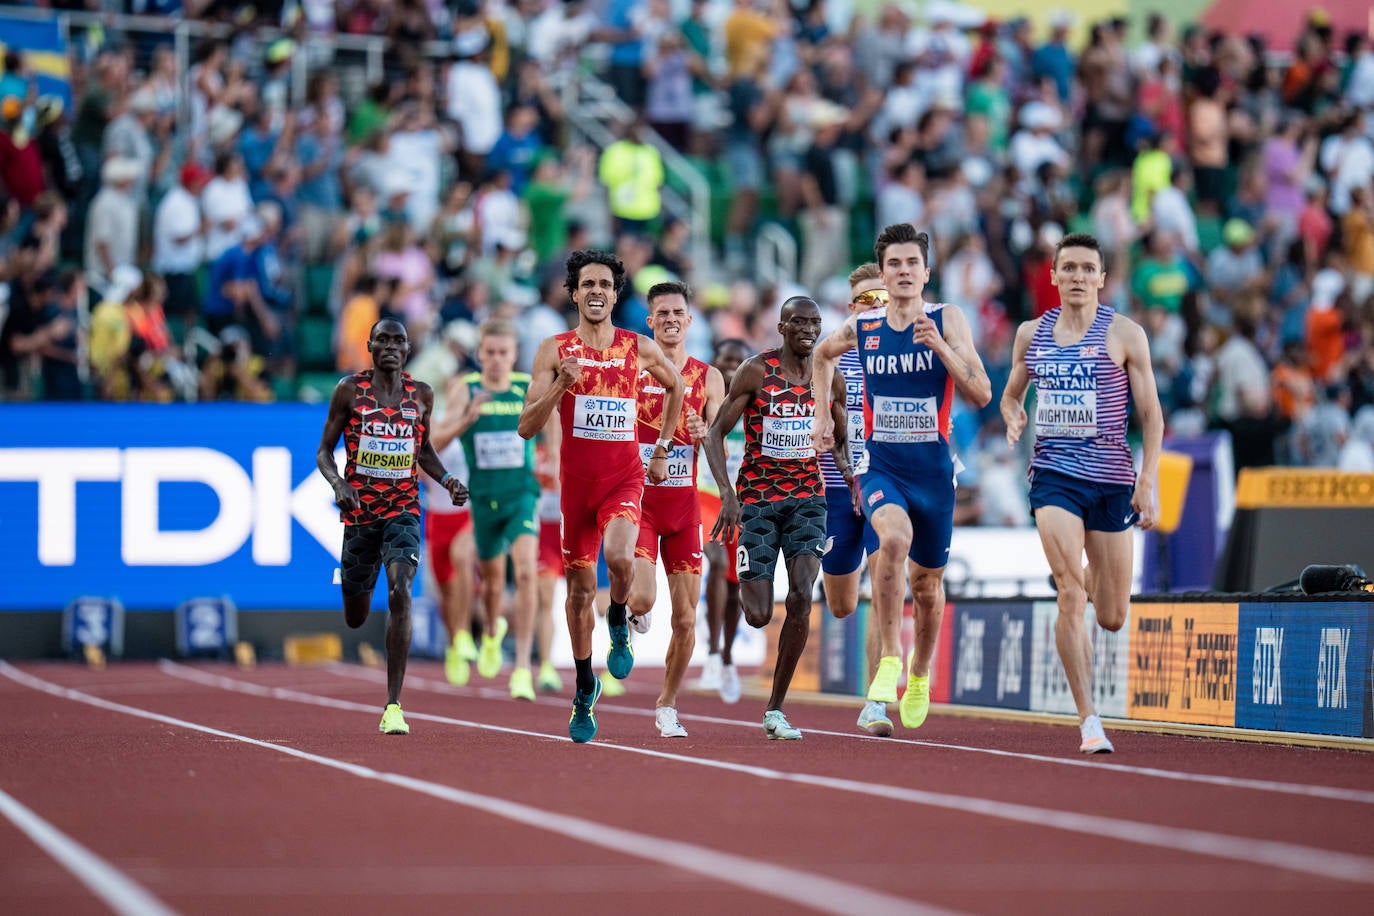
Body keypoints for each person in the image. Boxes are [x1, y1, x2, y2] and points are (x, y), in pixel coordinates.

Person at [813, 223, 992, 734]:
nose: (904, 272)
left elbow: (981, 392)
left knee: (928, 587)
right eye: (894, 264)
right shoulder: (864, 326)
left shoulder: (947, 319)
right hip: (881, 465)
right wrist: (824, 417)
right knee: (891, 539)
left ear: (926, 272)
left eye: (912, 263)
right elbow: (824, 355)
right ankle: (890, 654)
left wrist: (940, 346)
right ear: (884, 274)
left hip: (934, 471)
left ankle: (918, 673)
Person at [999, 231, 1163, 753]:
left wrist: (1149, 479)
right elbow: (1010, 392)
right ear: (1052, 276)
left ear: (1101, 278)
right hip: (1054, 476)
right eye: (1067, 268)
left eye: (1086, 269)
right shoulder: (1032, 333)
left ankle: (1082, 571)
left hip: (1113, 479)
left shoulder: (1126, 334)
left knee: (1112, 614)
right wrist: (1013, 414)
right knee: (1071, 594)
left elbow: (1152, 413)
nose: (1076, 278)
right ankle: (1089, 720)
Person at [519, 249, 684, 743]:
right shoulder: (554, 349)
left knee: (619, 556)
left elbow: (675, 388)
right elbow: (527, 426)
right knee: (576, 594)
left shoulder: (639, 347)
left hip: (624, 479)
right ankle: (584, 684)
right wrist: (560, 388)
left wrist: (660, 450)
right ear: (574, 293)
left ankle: (617, 618)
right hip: (576, 492)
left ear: (616, 294)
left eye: (605, 285)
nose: (596, 292)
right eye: (587, 284)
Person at [703, 296, 850, 740]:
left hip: (809, 498)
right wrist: (728, 494)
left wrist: (849, 477)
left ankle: (775, 709)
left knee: (804, 593)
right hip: (759, 502)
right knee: (759, 615)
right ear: (782, 327)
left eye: (815, 323)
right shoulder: (756, 370)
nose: (808, 330)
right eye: (799, 322)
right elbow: (713, 435)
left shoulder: (830, 377)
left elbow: (840, 437)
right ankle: (732, 647)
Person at [316, 318, 468, 735]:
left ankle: (393, 705)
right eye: (382, 339)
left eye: (398, 340)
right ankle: (350, 581)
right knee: (354, 613)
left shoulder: (422, 395)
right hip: (360, 514)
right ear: (369, 345)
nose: (390, 346)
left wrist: (449, 480)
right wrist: (338, 482)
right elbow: (324, 452)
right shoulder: (349, 391)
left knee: (401, 591)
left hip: (403, 510)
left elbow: (425, 452)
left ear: (408, 348)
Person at [626, 282, 726, 737]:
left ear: (689, 321)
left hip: (684, 508)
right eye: (661, 312)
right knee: (644, 598)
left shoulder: (709, 378)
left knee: (686, 618)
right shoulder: (631, 370)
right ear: (650, 321)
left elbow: (720, 442)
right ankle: (627, 611)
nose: (669, 318)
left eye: (677, 312)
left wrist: (705, 430)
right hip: (641, 504)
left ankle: (667, 704)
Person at [434, 319, 547, 700]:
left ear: (514, 354)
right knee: (493, 583)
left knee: (528, 572)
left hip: (522, 495)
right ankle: (492, 633)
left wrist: (561, 464)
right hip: (483, 499)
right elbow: (434, 442)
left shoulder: (525, 387)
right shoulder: (464, 388)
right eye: (490, 353)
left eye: (504, 353)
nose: (497, 360)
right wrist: (466, 419)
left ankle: (522, 671)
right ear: (479, 354)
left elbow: (556, 420)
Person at [816, 264, 890, 735]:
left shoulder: (906, 355)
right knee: (843, 604)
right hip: (839, 490)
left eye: (881, 298)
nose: (876, 306)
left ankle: (876, 702)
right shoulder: (831, 359)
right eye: (866, 299)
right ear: (851, 309)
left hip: (887, 483)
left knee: (886, 591)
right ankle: (855, 577)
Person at [695, 338, 751, 702]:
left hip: (742, 502)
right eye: (726, 360)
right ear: (715, 363)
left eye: (739, 361)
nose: (732, 367)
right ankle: (713, 653)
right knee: (714, 562)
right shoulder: (702, 396)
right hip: (704, 494)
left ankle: (728, 656)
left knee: (736, 585)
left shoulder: (756, 401)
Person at [421, 404, 478, 686]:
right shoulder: (431, 429)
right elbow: (422, 468)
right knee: (444, 589)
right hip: (437, 518)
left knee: (461, 558)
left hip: (468, 514)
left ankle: (465, 631)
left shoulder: (475, 423)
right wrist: (461, 421)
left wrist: (469, 421)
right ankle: (454, 642)